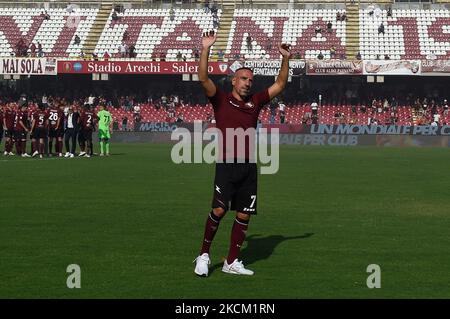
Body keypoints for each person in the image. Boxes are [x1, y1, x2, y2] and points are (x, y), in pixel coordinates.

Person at [193, 30, 291, 277]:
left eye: (251, 79)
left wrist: (285, 58)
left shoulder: (255, 102)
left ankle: (231, 262)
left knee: (244, 214)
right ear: (234, 81)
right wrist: (205, 48)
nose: (249, 82)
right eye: (244, 78)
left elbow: (280, 84)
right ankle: (203, 256)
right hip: (226, 165)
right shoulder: (221, 100)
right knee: (218, 211)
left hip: (248, 166)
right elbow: (203, 78)